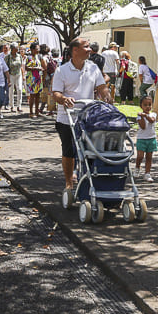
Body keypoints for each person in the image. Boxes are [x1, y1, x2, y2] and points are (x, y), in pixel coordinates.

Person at [52, 37, 111, 196]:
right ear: (75, 50)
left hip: (89, 118)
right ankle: (69, 183)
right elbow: (56, 93)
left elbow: (101, 87)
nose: (90, 49)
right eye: (86, 47)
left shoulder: (93, 68)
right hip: (67, 118)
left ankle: (88, 180)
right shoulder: (61, 70)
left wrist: (107, 97)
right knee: (69, 151)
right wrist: (63, 99)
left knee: (90, 151)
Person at [135, 95, 157, 180]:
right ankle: (137, 168)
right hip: (141, 139)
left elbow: (151, 120)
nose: (148, 107)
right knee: (140, 156)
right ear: (141, 106)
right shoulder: (139, 116)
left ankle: (147, 173)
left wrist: (146, 116)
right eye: (145, 105)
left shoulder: (153, 114)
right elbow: (143, 126)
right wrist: (142, 117)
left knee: (149, 156)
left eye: (149, 104)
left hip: (151, 138)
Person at [25, 42, 45, 118]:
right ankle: (31, 112)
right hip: (31, 78)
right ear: (32, 49)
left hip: (38, 78)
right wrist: (35, 68)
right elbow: (26, 67)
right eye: (37, 49)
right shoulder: (28, 57)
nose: (38, 50)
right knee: (32, 95)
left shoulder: (38, 57)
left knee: (38, 95)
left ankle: (37, 111)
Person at [6, 44, 22, 111]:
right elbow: (5, 67)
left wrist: (23, 75)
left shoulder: (19, 56)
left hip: (18, 74)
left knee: (20, 89)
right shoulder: (8, 57)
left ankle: (19, 106)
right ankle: (11, 106)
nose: (18, 49)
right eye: (16, 48)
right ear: (12, 49)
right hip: (11, 75)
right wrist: (7, 78)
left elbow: (21, 66)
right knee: (11, 91)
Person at [0, 45, 10, 118]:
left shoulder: (0, 59)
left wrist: (9, 80)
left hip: (0, 82)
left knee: (1, 99)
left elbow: (6, 70)